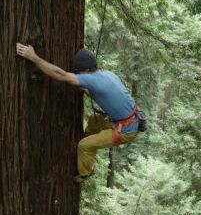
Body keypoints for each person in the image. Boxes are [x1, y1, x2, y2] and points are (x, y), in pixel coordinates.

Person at [16, 43, 143, 183]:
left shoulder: (93, 81)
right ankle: (88, 146)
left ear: (87, 70)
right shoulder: (107, 74)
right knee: (94, 120)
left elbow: (61, 75)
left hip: (126, 131)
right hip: (131, 119)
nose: (77, 75)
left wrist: (33, 57)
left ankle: (85, 173)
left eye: (79, 72)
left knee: (84, 145)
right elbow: (103, 91)